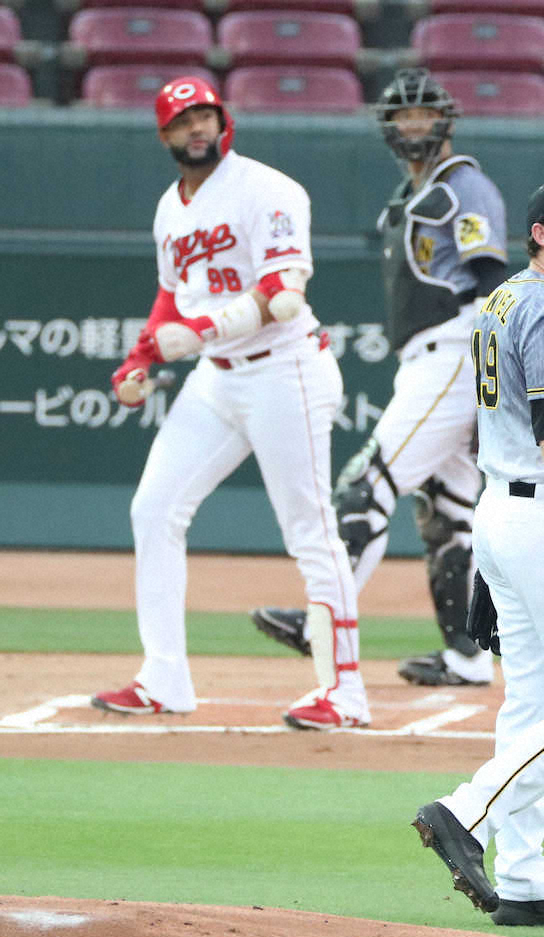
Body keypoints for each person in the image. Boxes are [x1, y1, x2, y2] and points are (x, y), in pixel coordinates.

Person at [91, 76, 365, 730]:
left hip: (285, 369)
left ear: (224, 119)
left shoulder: (267, 190)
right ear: (164, 135)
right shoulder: (170, 208)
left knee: (310, 530)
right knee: (154, 507)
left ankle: (345, 692)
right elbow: (171, 298)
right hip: (217, 377)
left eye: (205, 116)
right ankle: (164, 677)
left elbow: (281, 293)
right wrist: (139, 360)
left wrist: (202, 332)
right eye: (182, 121)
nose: (196, 130)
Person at [412, 176, 544, 927]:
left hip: (505, 509)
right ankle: (465, 812)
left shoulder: (503, 299)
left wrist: (498, 536)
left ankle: (527, 881)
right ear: (540, 231)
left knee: (533, 702)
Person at [250, 68, 509, 688]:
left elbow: (491, 281)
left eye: (423, 115)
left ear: (445, 121)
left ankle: (324, 620)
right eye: (402, 117)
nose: (413, 126)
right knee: (446, 512)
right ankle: (469, 657)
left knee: (368, 482)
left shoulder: (463, 186)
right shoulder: (409, 196)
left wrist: (494, 368)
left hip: (456, 349)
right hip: (426, 357)